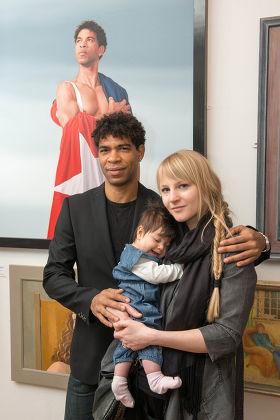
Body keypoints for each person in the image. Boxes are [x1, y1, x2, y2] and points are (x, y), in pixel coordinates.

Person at [43, 112, 268, 420]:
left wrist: (262, 242)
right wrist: (91, 299)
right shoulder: (75, 207)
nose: (113, 158)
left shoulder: (163, 210)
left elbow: (208, 239)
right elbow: (53, 275)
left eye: (123, 148)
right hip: (92, 356)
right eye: (105, 150)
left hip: (153, 368)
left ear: (140, 152)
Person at [113, 150, 259, 419]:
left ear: (206, 186)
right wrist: (121, 315)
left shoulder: (232, 250)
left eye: (183, 186)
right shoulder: (166, 247)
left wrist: (151, 336)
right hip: (151, 391)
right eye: (165, 189)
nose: (173, 198)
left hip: (201, 394)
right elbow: (138, 292)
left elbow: (226, 336)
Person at [47, 20, 131, 239]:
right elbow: (72, 126)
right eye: (78, 41)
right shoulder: (67, 88)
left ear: (100, 49)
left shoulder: (116, 91)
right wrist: (111, 116)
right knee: (79, 235)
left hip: (111, 171)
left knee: (112, 237)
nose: (82, 45)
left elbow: (129, 138)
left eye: (89, 40)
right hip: (80, 171)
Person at [111, 202, 183, 408]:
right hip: (139, 307)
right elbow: (156, 275)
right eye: (158, 240)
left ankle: (119, 380)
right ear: (140, 232)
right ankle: (155, 378)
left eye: (166, 245)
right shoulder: (135, 257)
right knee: (149, 337)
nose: (161, 248)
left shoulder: (142, 254)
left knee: (127, 345)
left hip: (133, 305)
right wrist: (181, 270)